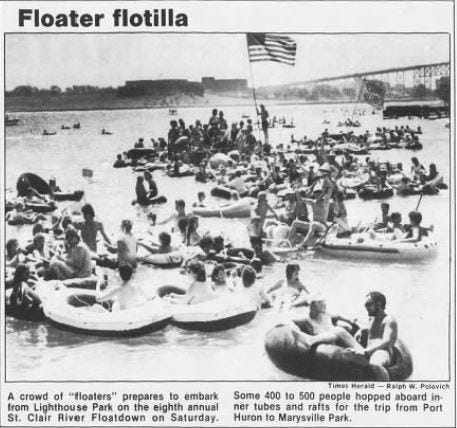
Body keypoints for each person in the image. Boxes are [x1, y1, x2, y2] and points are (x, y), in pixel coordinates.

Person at [353, 292, 398, 377]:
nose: (366, 308)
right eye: (365, 305)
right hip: (367, 350)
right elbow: (371, 329)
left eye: (369, 304)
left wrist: (367, 351)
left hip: (381, 352)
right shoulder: (372, 319)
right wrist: (361, 330)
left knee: (375, 364)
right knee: (340, 332)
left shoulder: (389, 320)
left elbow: (387, 341)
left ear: (379, 303)